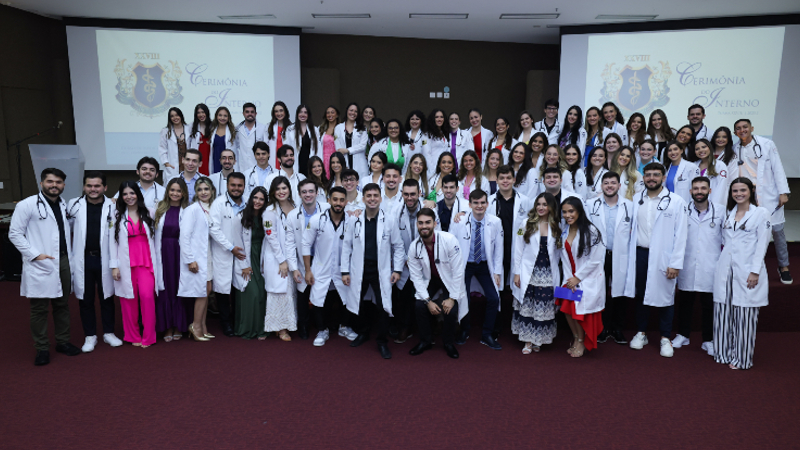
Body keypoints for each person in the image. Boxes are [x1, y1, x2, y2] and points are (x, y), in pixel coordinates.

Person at [10, 168, 81, 365]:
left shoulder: (64, 204)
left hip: (63, 260)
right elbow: (14, 234)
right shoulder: (27, 205)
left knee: (62, 304)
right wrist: (35, 255)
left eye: (58, 182)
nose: (54, 185)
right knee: (39, 308)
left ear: (63, 185)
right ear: (41, 183)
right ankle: (41, 347)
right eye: (50, 182)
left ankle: (63, 342)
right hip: (41, 262)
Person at [627, 163, 688, 358]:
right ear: (643, 178)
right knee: (641, 294)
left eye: (656, 175)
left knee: (666, 297)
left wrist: (675, 263)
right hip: (641, 254)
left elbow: (681, 235)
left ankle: (665, 337)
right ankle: (642, 332)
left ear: (663, 178)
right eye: (648, 175)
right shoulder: (636, 199)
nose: (651, 178)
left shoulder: (676, 201)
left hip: (665, 257)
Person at [341, 183, 406, 359]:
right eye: (368, 196)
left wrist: (397, 269)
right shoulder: (355, 219)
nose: (372, 199)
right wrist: (344, 271)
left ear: (380, 198)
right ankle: (363, 333)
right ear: (363, 199)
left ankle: (382, 341)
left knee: (383, 305)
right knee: (358, 302)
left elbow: (398, 246)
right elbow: (346, 246)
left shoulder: (389, 219)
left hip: (381, 270)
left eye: (375, 195)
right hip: (359, 269)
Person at [713, 178, 771, 370]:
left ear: (751, 191)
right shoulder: (730, 214)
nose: (739, 194)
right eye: (735, 191)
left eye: (742, 190)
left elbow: (762, 244)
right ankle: (722, 353)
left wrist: (755, 271)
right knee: (723, 312)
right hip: (726, 270)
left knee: (745, 317)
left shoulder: (761, 214)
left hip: (747, 270)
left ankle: (742, 358)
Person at [66, 171, 122, 352]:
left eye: (97, 186)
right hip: (83, 259)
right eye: (89, 186)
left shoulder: (113, 206)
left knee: (107, 297)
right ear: (84, 187)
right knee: (85, 299)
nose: (93, 189)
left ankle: (108, 333)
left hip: (105, 258)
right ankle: (90, 336)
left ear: (105, 187)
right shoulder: (73, 205)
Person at [732, 119, 791, 284]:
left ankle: (784, 267)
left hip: (769, 195)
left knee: (777, 231)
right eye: (738, 128)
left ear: (751, 128)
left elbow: (777, 168)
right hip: (747, 197)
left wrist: (783, 192)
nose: (742, 130)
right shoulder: (735, 148)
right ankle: (751, 267)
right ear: (735, 131)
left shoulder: (767, 144)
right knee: (750, 232)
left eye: (745, 127)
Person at [673, 176, 725, 354]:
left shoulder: (721, 211)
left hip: (711, 264)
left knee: (708, 304)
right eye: (696, 188)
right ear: (690, 192)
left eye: (703, 188)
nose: (699, 191)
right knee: (685, 302)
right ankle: (683, 334)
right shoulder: (682, 210)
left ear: (710, 191)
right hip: (687, 262)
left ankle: (708, 340)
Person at [407, 208, 466, 359]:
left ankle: (448, 343)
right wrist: (428, 302)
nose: (424, 226)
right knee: (419, 305)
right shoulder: (414, 247)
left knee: (450, 310)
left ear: (434, 223)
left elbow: (458, 271)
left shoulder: (449, 239)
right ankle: (426, 341)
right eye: (420, 223)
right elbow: (416, 277)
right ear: (417, 225)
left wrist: (452, 298)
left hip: (450, 279)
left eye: (428, 222)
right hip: (431, 278)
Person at [303, 187, 358, 346]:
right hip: (321, 268)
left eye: (342, 200)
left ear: (346, 202)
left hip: (344, 268)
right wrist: (307, 270)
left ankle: (344, 327)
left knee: (347, 297)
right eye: (335, 199)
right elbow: (306, 244)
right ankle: (322, 330)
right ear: (329, 200)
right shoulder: (317, 220)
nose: (338, 203)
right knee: (319, 299)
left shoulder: (352, 221)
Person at [450, 190, 504, 350]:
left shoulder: (495, 222)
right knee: (462, 296)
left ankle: (487, 334)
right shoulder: (459, 221)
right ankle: (465, 329)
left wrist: (497, 272)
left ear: (487, 204)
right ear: (470, 204)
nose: (479, 206)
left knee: (494, 298)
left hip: (484, 265)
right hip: (465, 264)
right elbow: (451, 245)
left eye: (482, 203)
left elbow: (499, 248)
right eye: (476, 203)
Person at [110, 182, 158, 348]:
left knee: (147, 297)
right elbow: (112, 242)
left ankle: (149, 336)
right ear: (121, 197)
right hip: (125, 263)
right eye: (125, 194)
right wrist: (114, 266)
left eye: (132, 193)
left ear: (138, 194)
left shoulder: (150, 212)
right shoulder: (116, 215)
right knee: (128, 300)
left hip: (146, 263)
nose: (129, 197)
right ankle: (132, 335)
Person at [588, 172, 634, 345]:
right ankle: (602, 329)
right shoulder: (591, 204)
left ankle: (617, 329)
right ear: (601, 186)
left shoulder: (629, 206)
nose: (609, 186)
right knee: (599, 292)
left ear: (619, 186)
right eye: (606, 183)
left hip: (620, 255)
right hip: (598, 255)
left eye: (613, 183)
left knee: (619, 293)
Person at [512, 192, 561, 354]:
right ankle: (527, 341)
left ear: (551, 207)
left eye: (545, 204)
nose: (541, 207)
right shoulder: (524, 224)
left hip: (547, 273)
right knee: (528, 307)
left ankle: (537, 339)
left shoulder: (557, 226)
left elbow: (559, 253)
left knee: (542, 307)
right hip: (529, 272)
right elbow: (517, 249)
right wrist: (517, 272)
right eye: (538, 204)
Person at [392, 179, 439, 343]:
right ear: (402, 194)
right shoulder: (396, 212)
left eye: (413, 194)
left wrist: (420, 259)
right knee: (404, 296)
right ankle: (405, 327)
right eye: (406, 194)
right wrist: (406, 260)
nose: (409, 197)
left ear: (420, 193)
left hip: (425, 262)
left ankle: (427, 330)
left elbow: (435, 238)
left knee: (425, 295)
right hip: (404, 262)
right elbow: (395, 242)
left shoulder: (430, 211)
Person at [558, 197, 606, 357]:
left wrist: (577, 278)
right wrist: (569, 279)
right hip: (568, 278)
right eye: (564, 212)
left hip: (585, 279)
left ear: (579, 211)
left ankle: (581, 341)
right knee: (566, 309)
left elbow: (596, 260)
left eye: (571, 211)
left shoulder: (591, 231)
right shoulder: (565, 230)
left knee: (577, 312)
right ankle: (576, 337)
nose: (567, 215)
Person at [288, 179, 330, 340]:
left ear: (317, 193)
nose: (308, 194)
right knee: (303, 293)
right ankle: (304, 326)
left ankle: (323, 326)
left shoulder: (326, 209)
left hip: (322, 258)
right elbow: (290, 244)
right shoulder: (293, 216)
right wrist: (294, 268)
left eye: (311, 191)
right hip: (302, 258)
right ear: (299, 194)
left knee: (322, 292)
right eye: (304, 192)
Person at [262, 177, 302, 340]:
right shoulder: (270, 211)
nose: (281, 191)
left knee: (290, 291)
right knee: (279, 292)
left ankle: (289, 323)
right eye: (278, 189)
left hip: (292, 256)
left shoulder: (295, 207)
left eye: (284, 188)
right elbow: (271, 237)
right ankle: (279, 328)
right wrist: (282, 261)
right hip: (276, 258)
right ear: (273, 192)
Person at [209, 172, 248, 337]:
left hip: (242, 253)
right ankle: (226, 323)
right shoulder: (218, 203)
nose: (236, 189)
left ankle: (238, 321)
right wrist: (230, 247)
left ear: (244, 186)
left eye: (240, 185)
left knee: (240, 288)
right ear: (227, 185)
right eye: (233, 185)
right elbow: (214, 229)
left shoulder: (248, 204)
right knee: (223, 290)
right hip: (224, 252)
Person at [153, 178, 190, 343]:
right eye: (172, 190)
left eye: (178, 191)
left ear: (183, 193)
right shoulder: (159, 209)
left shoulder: (188, 210)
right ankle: (167, 325)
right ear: (167, 191)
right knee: (165, 288)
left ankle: (179, 325)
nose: (175, 193)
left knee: (179, 287)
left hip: (180, 253)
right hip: (162, 253)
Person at [231, 186, 269, 340]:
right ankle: (246, 329)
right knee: (251, 293)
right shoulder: (240, 217)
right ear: (250, 198)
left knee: (262, 294)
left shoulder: (266, 217)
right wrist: (244, 265)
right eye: (255, 197)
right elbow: (237, 243)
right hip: (246, 259)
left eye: (261, 199)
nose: (257, 201)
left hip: (261, 257)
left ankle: (261, 329)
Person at [179, 178, 215, 341]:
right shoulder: (192, 209)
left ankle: (203, 325)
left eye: (206, 189)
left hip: (208, 254)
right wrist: (190, 259)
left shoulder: (211, 208)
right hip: (197, 257)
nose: (203, 192)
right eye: (200, 189)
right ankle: (195, 325)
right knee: (202, 292)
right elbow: (184, 236)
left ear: (212, 190)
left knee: (206, 291)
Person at [692, 138, 736, 206]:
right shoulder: (693, 166)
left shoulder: (719, 165)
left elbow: (721, 188)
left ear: (710, 148)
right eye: (697, 149)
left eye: (704, 147)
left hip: (714, 204)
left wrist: (714, 206)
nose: (701, 150)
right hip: (696, 205)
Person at [335, 102, 369, 177]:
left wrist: (347, 150)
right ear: (347, 111)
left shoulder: (362, 128)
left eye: (356, 111)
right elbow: (338, 147)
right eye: (351, 110)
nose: (353, 113)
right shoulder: (338, 127)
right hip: (344, 162)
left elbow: (363, 146)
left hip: (360, 164)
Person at [232, 102, 268, 171]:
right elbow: (235, 146)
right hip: (243, 166)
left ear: (256, 113)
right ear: (243, 113)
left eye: (252, 112)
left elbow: (266, 148)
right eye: (247, 112)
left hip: (258, 166)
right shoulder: (238, 129)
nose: (250, 114)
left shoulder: (263, 128)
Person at [287, 104, 320, 177]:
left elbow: (318, 149)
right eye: (301, 112)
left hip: (310, 164)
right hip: (296, 163)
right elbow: (286, 147)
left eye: (305, 112)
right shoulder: (290, 129)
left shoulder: (314, 130)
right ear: (297, 114)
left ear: (308, 115)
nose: (303, 114)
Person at [159, 107, 189, 182]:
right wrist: (166, 163)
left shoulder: (189, 129)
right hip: (173, 166)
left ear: (181, 116)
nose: (175, 118)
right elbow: (162, 148)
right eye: (172, 116)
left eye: (177, 115)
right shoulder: (165, 131)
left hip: (187, 164)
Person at [208, 106, 236, 174]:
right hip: (215, 160)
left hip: (227, 160)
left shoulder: (233, 131)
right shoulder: (211, 130)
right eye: (220, 115)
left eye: (225, 116)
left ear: (228, 117)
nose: (222, 118)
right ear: (216, 116)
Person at [424, 109, 449, 178]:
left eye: (441, 117)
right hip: (432, 171)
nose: (439, 119)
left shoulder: (443, 133)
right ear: (432, 119)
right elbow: (426, 153)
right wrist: (432, 170)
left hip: (444, 168)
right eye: (436, 117)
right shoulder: (426, 135)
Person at [267, 101, 292, 169]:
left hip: (286, 158)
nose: (279, 113)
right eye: (276, 111)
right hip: (273, 159)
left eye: (281, 111)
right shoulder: (269, 127)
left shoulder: (292, 128)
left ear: (285, 112)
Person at [319, 105, 340, 177]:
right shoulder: (321, 129)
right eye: (328, 113)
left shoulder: (340, 128)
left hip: (335, 159)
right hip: (323, 159)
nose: (330, 115)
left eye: (332, 112)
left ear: (337, 115)